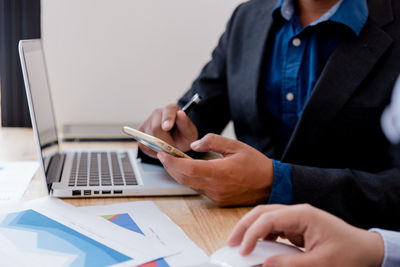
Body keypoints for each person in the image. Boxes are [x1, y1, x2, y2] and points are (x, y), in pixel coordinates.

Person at [139, 0, 400, 231]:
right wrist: (171, 134)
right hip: (237, 231)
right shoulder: (248, 17)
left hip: (357, 241)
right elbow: (199, 113)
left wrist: (277, 182)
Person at [227, 76, 400, 267]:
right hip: (268, 225)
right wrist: (376, 247)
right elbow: (203, 101)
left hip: (357, 227)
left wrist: (278, 180)